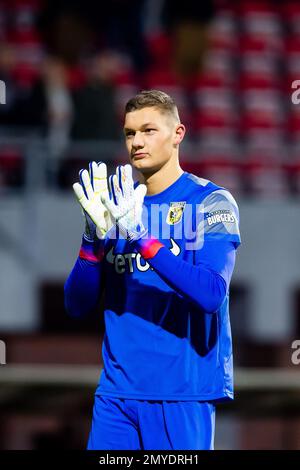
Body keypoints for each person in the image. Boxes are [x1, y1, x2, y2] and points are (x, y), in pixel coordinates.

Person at [64, 90, 241, 450]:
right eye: (130, 133)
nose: (137, 142)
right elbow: (77, 305)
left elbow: (210, 293)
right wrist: (90, 239)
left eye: (149, 131)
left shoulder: (210, 201)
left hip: (183, 394)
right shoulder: (116, 206)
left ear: (178, 133)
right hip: (116, 394)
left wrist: (141, 237)